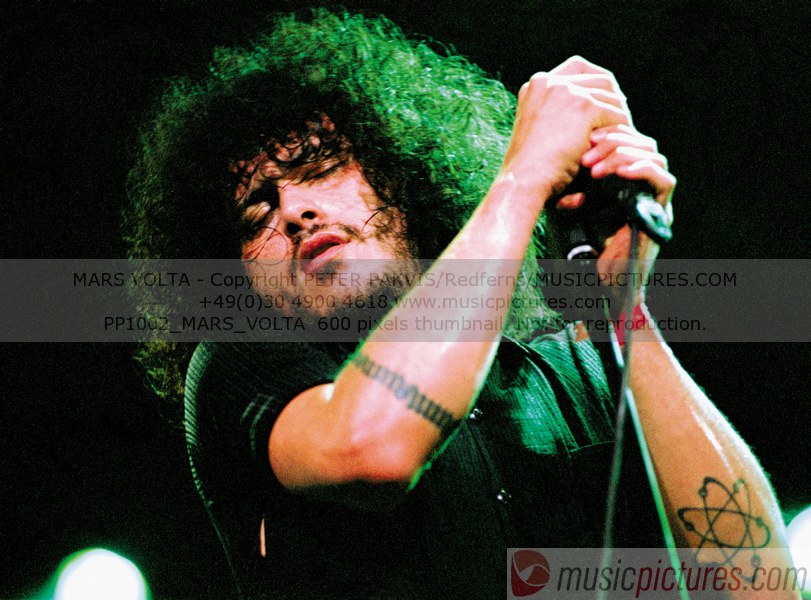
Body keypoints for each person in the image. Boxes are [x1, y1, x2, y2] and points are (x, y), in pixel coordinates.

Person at [126, 10, 797, 599]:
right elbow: (374, 449)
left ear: (402, 170)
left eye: (320, 166)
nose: (296, 208)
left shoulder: (571, 362)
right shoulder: (239, 366)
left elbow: (757, 585)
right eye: (256, 212)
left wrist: (624, 310)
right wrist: (523, 177)